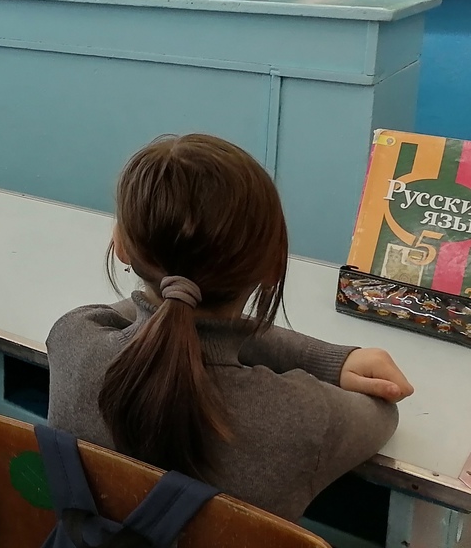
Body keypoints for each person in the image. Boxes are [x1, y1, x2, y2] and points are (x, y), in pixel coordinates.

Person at [46, 133, 411, 522]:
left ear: (121, 246)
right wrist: (322, 360)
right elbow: (382, 412)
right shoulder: (306, 417)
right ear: (273, 266)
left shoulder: (72, 340)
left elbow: (153, 315)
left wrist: (326, 359)